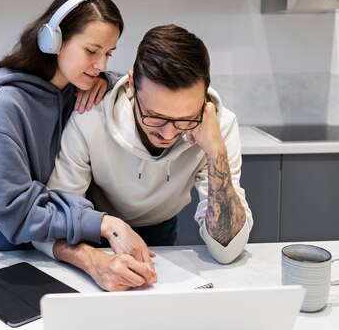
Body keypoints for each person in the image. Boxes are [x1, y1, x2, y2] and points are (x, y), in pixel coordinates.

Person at [0, 0, 155, 284]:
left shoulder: (75, 88)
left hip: (58, 253)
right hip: (3, 260)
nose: (101, 64)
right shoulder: (5, 107)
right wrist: (100, 223)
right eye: (91, 51)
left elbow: (127, 84)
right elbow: (13, 210)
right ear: (54, 40)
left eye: (108, 54)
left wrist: (105, 80)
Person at [34, 24, 253, 290]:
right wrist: (94, 262)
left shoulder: (219, 125)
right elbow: (49, 224)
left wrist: (215, 150)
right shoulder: (90, 116)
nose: (168, 133)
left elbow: (227, 250)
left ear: (205, 99)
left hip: (161, 228)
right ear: (131, 87)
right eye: (155, 116)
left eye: (185, 119)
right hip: (90, 228)